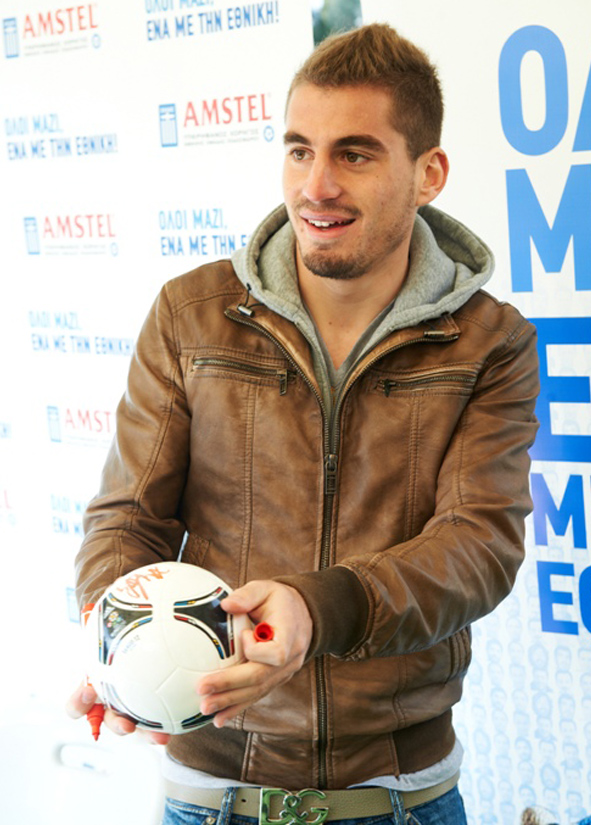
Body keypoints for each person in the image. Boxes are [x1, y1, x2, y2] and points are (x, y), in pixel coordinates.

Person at [67, 23, 540, 825]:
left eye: (354, 154)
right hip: (212, 793)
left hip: (402, 795)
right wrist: (116, 639)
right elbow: (127, 518)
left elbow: (477, 545)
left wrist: (315, 609)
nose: (316, 186)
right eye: (299, 150)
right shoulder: (191, 315)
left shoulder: (491, 341)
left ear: (428, 174)